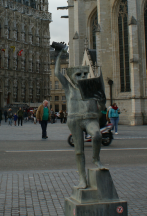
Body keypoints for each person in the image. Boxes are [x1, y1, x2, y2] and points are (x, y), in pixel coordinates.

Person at [55, 48, 107, 189]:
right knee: (79, 151)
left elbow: (100, 112)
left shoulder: (91, 89)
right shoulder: (69, 88)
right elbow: (57, 73)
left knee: (97, 135)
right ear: (72, 76)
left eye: (85, 74)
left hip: (90, 118)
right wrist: (59, 55)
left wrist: (102, 102)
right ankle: (82, 179)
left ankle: (96, 159)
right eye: (79, 74)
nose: (83, 77)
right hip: (74, 119)